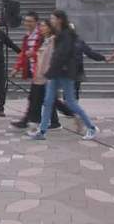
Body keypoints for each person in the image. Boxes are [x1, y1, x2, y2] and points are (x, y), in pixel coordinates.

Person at [30, 10, 99, 141]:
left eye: (53, 18)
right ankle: (42, 131)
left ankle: (91, 127)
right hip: (56, 72)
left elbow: (62, 55)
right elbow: (56, 54)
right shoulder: (59, 34)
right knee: (48, 101)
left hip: (65, 73)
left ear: (59, 20)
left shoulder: (67, 35)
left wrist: (51, 70)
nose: (51, 21)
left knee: (71, 103)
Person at [13, 18, 69, 131]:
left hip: (45, 75)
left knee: (39, 99)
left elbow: (51, 58)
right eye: (41, 26)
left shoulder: (52, 40)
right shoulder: (45, 40)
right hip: (39, 74)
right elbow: (36, 55)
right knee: (47, 99)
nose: (42, 28)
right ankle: (53, 121)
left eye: (44, 26)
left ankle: (34, 122)